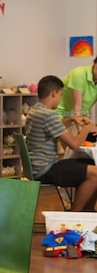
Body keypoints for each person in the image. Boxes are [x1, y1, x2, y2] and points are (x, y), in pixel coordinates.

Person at [25, 75, 97, 212]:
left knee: (89, 164)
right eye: (61, 94)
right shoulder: (48, 115)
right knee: (95, 173)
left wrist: (70, 120)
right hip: (46, 169)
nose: (60, 99)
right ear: (54, 93)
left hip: (35, 167)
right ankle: (74, 215)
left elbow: (51, 128)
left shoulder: (35, 110)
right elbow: (74, 145)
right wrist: (87, 129)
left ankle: (87, 211)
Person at [56, 56, 97, 123]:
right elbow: (77, 110)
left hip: (78, 117)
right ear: (95, 62)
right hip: (60, 116)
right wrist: (81, 131)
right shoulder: (79, 74)